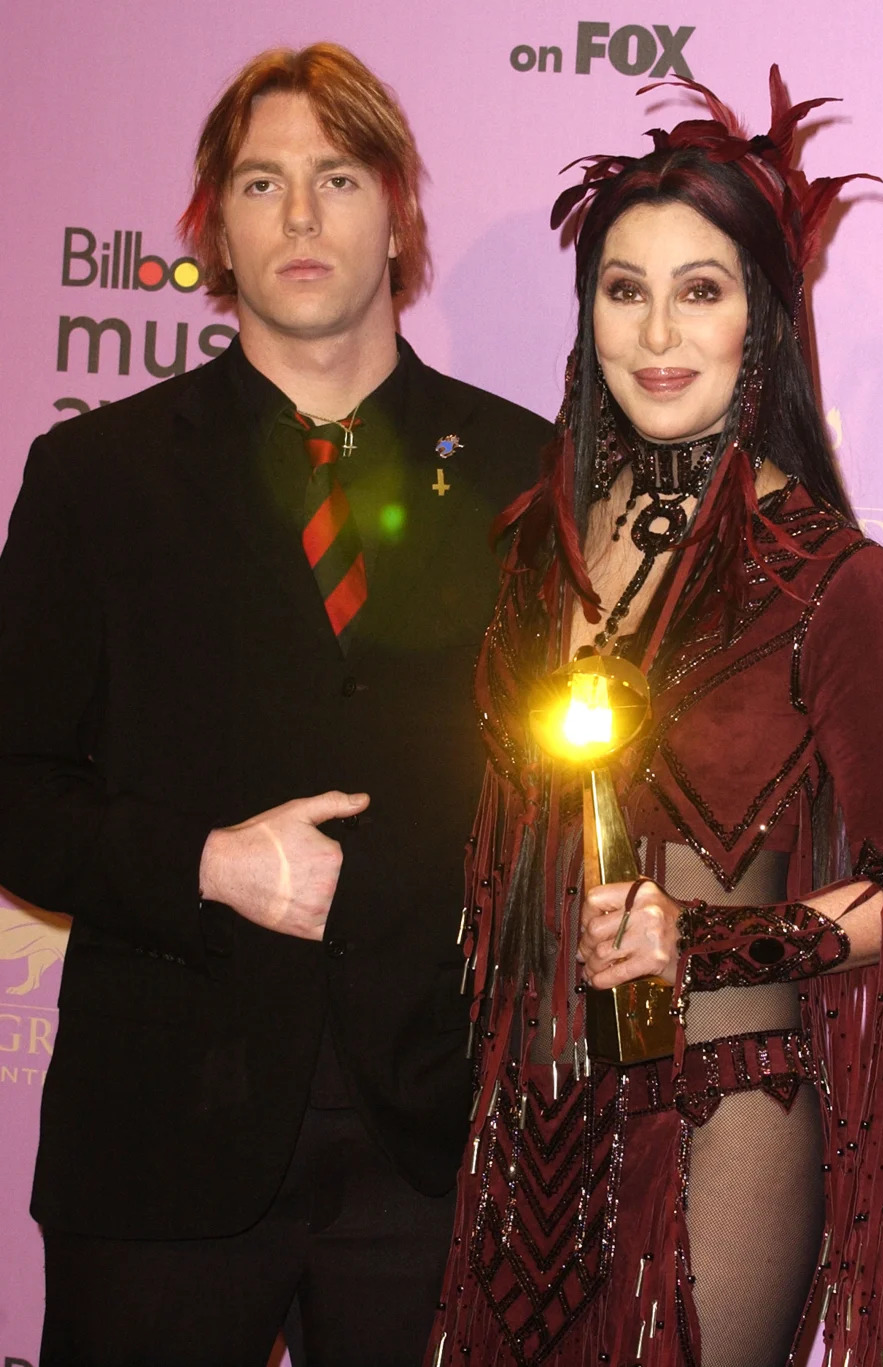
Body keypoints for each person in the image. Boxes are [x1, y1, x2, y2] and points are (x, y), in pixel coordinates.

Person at [0, 43, 551, 1367]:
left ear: (400, 214)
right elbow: (11, 790)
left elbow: (569, 784)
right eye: (261, 182)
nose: (300, 215)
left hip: (436, 1153)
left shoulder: (526, 475)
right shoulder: (95, 475)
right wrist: (207, 861)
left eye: (338, 177)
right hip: (159, 1158)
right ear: (214, 232)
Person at [426, 68, 883, 1367]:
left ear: (758, 321)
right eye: (625, 287)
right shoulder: (536, 554)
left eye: (701, 288)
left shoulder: (841, 583)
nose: (658, 329)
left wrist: (706, 941)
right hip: (527, 1127)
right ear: (589, 315)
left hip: (724, 1124)